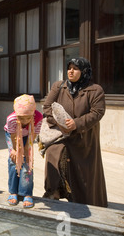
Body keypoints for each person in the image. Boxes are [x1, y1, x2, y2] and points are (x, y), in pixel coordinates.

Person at [42, 57, 108, 207]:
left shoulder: (95, 90)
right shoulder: (59, 86)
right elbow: (47, 107)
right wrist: (60, 123)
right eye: (69, 68)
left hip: (83, 138)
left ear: (84, 71)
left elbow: (97, 112)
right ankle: (54, 192)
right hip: (60, 134)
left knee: (82, 172)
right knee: (54, 156)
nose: (71, 71)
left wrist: (76, 124)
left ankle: (84, 200)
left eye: (75, 68)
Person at [4, 94, 43, 208]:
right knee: (14, 161)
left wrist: (26, 149)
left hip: (29, 136)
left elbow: (34, 134)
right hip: (13, 135)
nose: (25, 121)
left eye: (28, 117)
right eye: (21, 118)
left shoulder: (38, 117)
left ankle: (26, 193)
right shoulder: (11, 119)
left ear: (33, 113)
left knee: (27, 162)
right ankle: (13, 191)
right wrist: (15, 150)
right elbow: (12, 136)